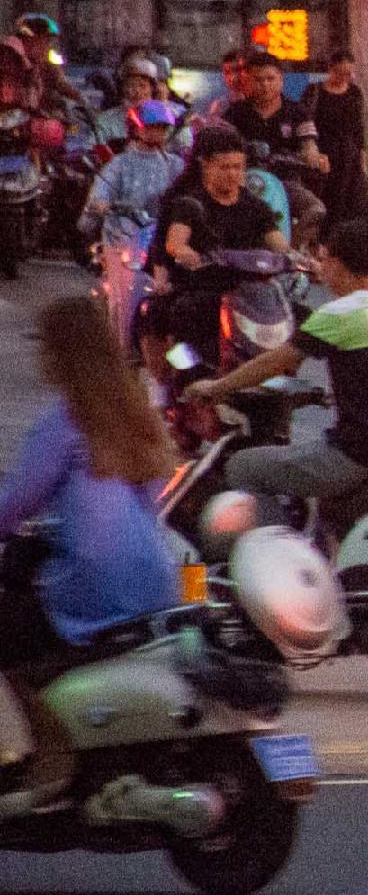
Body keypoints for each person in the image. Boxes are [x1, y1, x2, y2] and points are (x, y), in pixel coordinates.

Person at [0, 298, 183, 816]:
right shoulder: (134, 413)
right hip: (155, 580)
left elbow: (14, 504)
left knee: (10, 633)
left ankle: (51, 754)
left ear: (61, 353)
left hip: (93, 587)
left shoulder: (66, 421)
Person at [183, 220, 368, 532]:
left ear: (337, 264)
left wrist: (217, 387)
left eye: (325, 259)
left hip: (356, 456)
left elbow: (274, 362)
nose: (320, 268)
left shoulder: (342, 312)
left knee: (244, 467)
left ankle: (274, 556)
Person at [150, 127, 290, 368]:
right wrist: (186, 254)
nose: (232, 174)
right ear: (204, 164)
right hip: (203, 288)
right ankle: (185, 372)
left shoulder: (255, 207)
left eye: (238, 167)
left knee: (298, 315)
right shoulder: (189, 204)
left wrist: (299, 261)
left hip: (250, 293)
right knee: (177, 313)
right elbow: (175, 243)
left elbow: (279, 245)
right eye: (224, 167)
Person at [84, 100, 186, 359]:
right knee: (124, 298)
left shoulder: (175, 164)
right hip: (124, 238)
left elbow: (189, 194)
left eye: (162, 128)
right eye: (151, 127)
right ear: (135, 128)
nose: (157, 133)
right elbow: (99, 197)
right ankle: (121, 349)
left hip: (162, 237)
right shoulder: (120, 164)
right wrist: (108, 206)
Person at [220, 54, 327, 243]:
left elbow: (309, 144)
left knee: (316, 209)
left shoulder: (297, 112)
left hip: (286, 181)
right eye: (258, 80)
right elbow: (220, 145)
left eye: (271, 79)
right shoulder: (235, 113)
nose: (265, 85)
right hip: (243, 180)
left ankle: (292, 252)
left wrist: (313, 155)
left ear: (281, 80)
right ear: (247, 82)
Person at [304, 52, 368, 225]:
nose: (344, 78)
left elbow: (358, 127)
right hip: (325, 152)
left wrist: (362, 155)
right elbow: (306, 121)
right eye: (340, 73)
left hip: (349, 155)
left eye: (348, 74)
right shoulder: (315, 91)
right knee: (329, 199)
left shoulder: (354, 92)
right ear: (330, 69)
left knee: (353, 200)